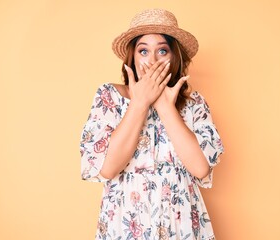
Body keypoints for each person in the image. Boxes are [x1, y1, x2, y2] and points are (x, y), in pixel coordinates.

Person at [80, 8, 224, 240]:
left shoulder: (194, 103)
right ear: (133, 57)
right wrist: (140, 103)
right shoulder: (109, 96)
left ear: (174, 57)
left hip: (181, 222)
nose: (153, 60)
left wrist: (165, 107)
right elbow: (107, 168)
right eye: (144, 51)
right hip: (126, 223)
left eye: (162, 50)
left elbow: (200, 168)